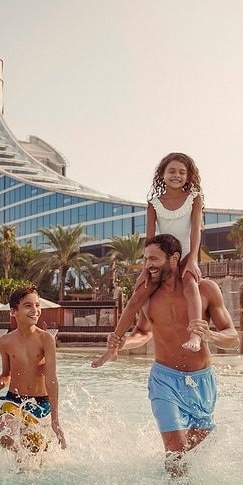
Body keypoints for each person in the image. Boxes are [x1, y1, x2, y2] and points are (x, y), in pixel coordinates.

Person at [97, 234, 239, 476]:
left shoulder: (205, 289)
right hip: (164, 380)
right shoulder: (146, 295)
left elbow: (233, 338)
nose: (147, 265)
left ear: (174, 258)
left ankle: (169, 477)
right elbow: (143, 332)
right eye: (145, 259)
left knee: (193, 447)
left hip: (201, 381)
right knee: (176, 450)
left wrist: (210, 335)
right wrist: (123, 342)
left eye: (153, 259)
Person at [93, 153, 205, 366]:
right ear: (162, 174)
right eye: (172, 171)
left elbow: (195, 232)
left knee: (191, 286)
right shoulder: (154, 204)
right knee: (136, 298)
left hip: (185, 255)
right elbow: (150, 238)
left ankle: (195, 335)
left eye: (182, 172)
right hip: (162, 258)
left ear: (189, 176)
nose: (177, 175)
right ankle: (112, 348)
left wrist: (192, 260)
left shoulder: (194, 198)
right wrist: (147, 268)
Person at [0, 285, 67, 458]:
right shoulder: (5, 341)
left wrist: (55, 420)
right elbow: (6, 375)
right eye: (28, 306)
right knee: (5, 434)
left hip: (40, 404)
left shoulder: (46, 339)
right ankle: (20, 455)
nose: (35, 310)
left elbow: (51, 379)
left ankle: (24, 459)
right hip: (14, 399)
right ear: (13, 311)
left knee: (33, 458)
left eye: (37, 305)